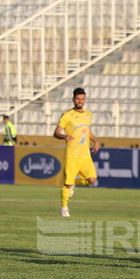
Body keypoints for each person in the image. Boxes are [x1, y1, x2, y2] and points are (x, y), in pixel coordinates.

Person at [53, 87, 99, 218]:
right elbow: (56, 132)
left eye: (82, 99)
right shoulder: (67, 115)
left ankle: (74, 184)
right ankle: (64, 208)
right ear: (73, 99)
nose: (80, 101)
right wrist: (64, 136)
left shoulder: (89, 114)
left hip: (85, 155)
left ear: (85, 100)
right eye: (78, 99)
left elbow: (87, 130)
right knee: (67, 183)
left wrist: (95, 141)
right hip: (72, 155)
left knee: (92, 180)